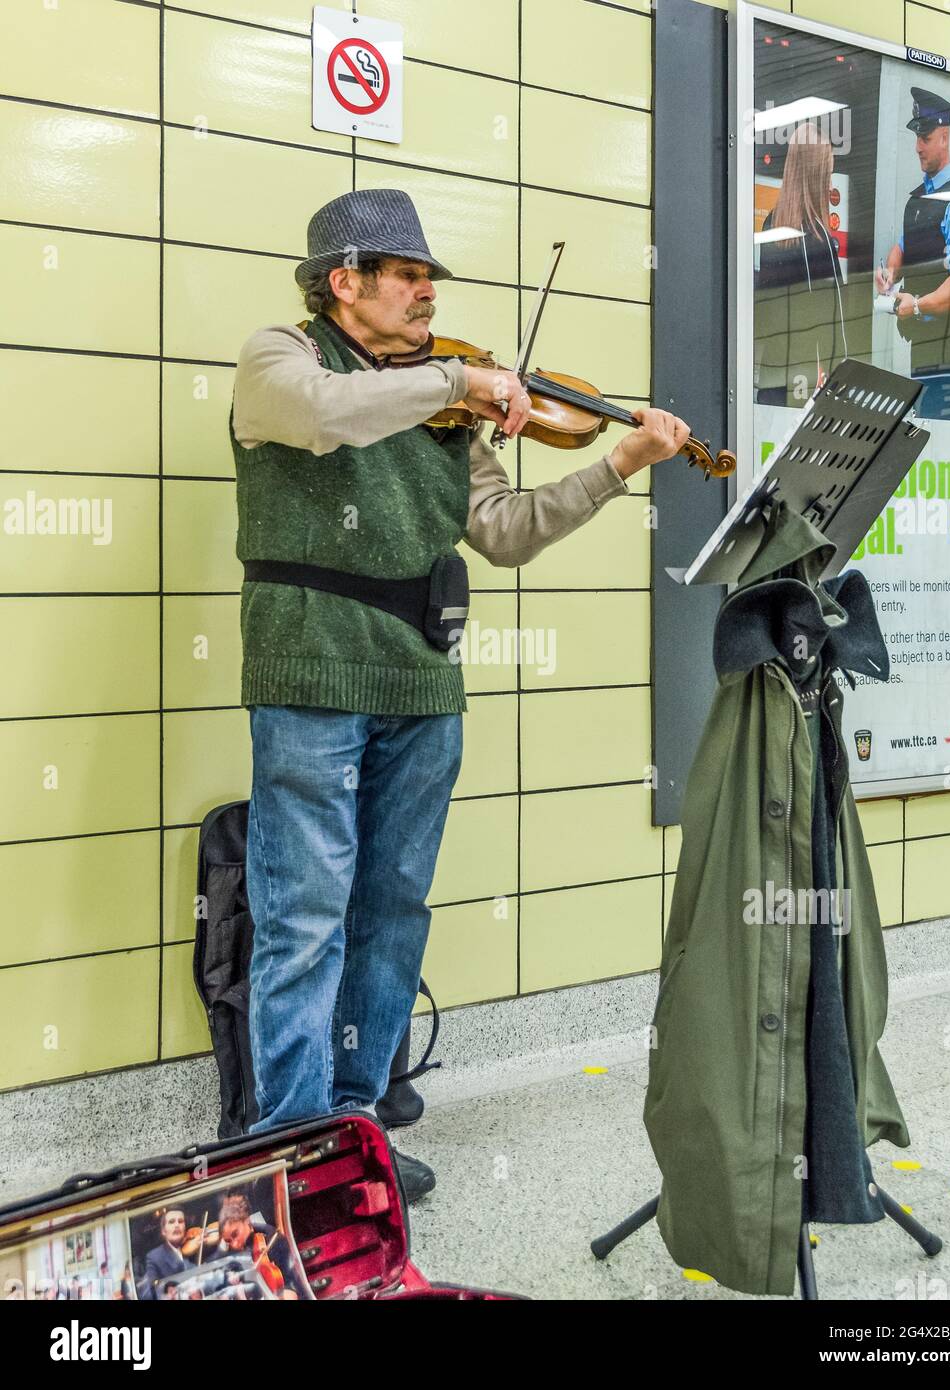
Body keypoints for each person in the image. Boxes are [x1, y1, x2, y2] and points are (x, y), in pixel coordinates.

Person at [231, 188, 690, 1199]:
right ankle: (286, 1151)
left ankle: (354, 1130)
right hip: (308, 670)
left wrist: (619, 458)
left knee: (391, 909)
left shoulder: (448, 412)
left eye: (430, 276)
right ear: (341, 281)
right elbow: (316, 416)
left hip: (423, 682)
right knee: (305, 912)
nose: (427, 291)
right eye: (407, 274)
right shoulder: (282, 358)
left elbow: (506, 532)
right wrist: (458, 376)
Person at [876, 86, 950, 421]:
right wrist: (890, 272)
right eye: (916, 137)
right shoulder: (920, 200)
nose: (918, 146)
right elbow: (904, 248)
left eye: (926, 137)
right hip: (923, 348)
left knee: (946, 451)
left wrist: (917, 304)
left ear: (944, 137)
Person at [755, 120, 846, 407]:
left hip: (775, 373)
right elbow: (831, 321)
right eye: (827, 173)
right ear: (816, 175)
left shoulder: (774, 225)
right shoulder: (815, 237)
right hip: (809, 381)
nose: (830, 183)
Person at [138, 1208, 191, 1300]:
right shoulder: (154, 1256)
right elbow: (149, 1293)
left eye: (180, 1221)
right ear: (163, 1231)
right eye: (171, 1222)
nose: (177, 1225)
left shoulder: (194, 1249)